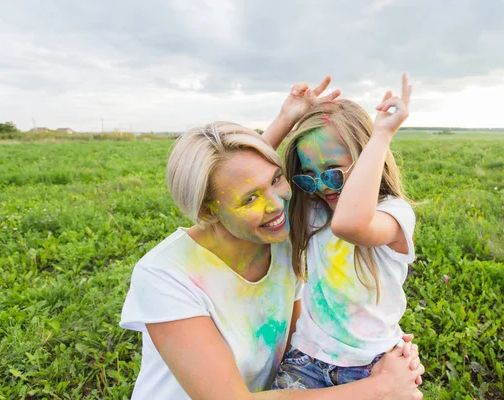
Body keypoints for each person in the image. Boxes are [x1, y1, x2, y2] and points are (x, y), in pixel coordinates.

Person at [119, 77, 425, 399]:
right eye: (250, 199)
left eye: (278, 179)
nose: (277, 204)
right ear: (208, 211)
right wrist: (382, 387)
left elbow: (236, 173)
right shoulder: (166, 275)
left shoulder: (282, 235)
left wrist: (378, 337)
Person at [270, 74, 419, 389]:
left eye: (334, 172)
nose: (321, 185)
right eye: (308, 176)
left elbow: (350, 225)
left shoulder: (393, 214)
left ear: (365, 157)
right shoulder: (312, 209)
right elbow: (245, 179)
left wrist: (380, 136)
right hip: (306, 360)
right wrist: (286, 119)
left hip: (374, 364)